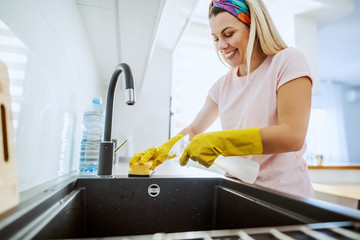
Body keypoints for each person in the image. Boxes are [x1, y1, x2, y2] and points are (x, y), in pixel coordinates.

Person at [130, 0, 314, 198]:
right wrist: (163, 150)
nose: (221, 46)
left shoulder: (287, 61)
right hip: (241, 193)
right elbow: (193, 130)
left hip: (286, 196)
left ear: (254, 27)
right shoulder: (222, 86)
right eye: (216, 38)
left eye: (228, 34)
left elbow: (292, 136)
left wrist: (220, 142)